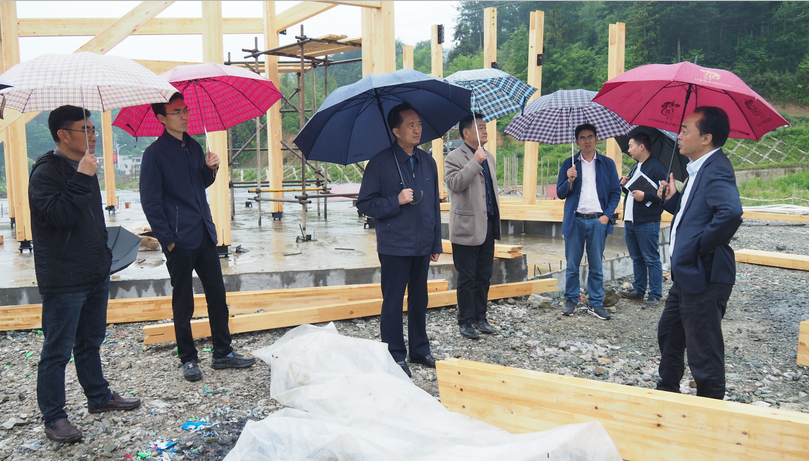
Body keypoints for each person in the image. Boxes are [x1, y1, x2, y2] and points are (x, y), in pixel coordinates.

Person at [29, 106, 141, 444]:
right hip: (64, 277)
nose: (93, 136)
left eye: (93, 129)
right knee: (57, 350)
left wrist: (104, 257)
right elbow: (58, 216)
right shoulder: (45, 172)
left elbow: (92, 220)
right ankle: (54, 417)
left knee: (91, 341)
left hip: (94, 271)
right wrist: (81, 177)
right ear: (63, 135)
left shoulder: (84, 167)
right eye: (85, 130)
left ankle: (98, 395)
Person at [140, 93, 255, 382]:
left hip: (204, 232)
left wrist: (210, 169)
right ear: (161, 118)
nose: (184, 116)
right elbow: (150, 202)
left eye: (186, 110)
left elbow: (198, 184)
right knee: (184, 302)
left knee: (217, 294)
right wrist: (168, 239)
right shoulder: (154, 154)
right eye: (176, 112)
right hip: (178, 239)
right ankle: (188, 358)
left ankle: (223, 352)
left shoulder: (193, 146)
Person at [656, 106, 743, 399]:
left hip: (704, 272)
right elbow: (696, 215)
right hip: (687, 274)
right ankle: (667, 393)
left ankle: (710, 408)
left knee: (703, 350)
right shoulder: (699, 168)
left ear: (706, 138)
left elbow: (731, 213)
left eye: (685, 130)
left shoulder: (716, 168)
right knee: (670, 334)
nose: (678, 136)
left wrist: (699, 246)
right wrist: (673, 200)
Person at [356, 102, 442, 378]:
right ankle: (394, 354)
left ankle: (420, 349)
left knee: (420, 298)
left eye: (419, 124)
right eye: (410, 125)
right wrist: (396, 200)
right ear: (396, 131)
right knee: (393, 301)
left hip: (422, 244)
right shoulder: (380, 163)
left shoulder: (428, 161)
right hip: (395, 245)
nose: (417, 130)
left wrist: (436, 242)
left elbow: (434, 205)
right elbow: (365, 204)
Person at [556, 123, 621, 320]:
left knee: (596, 266)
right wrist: (569, 180)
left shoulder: (607, 164)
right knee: (572, 265)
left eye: (590, 137)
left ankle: (596, 303)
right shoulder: (569, 164)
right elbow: (560, 193)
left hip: (597, 220)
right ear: (577, 141)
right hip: (575, 220)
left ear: (596, 138)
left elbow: (615, 192)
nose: (587, 141)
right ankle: (571, 300)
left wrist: (606, 216)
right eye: (582, 138)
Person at [445, 113, 500, 340]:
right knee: (467, 278)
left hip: (487, 224)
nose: (485, 130)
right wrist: (474, 162)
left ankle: (480, 316)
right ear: (466, 133)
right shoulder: (454, 157)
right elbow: (454, 184)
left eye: (485, 127)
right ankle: (465, 320)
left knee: (484, 275)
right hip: (466, 227)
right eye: (480, 127)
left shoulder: (490, 156)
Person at [617, 131, 667, 307]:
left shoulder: (657, 167)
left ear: (642, 146)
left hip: (647, 220)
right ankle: (638, 289)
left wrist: (646, 195)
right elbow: (633, 191)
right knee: (637, 257)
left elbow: (664, 195)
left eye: (631, 146)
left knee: (651, 258)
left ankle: (655, 294)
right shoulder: (635, 166)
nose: (629, 149)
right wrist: (624, 185)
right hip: (631, 219)